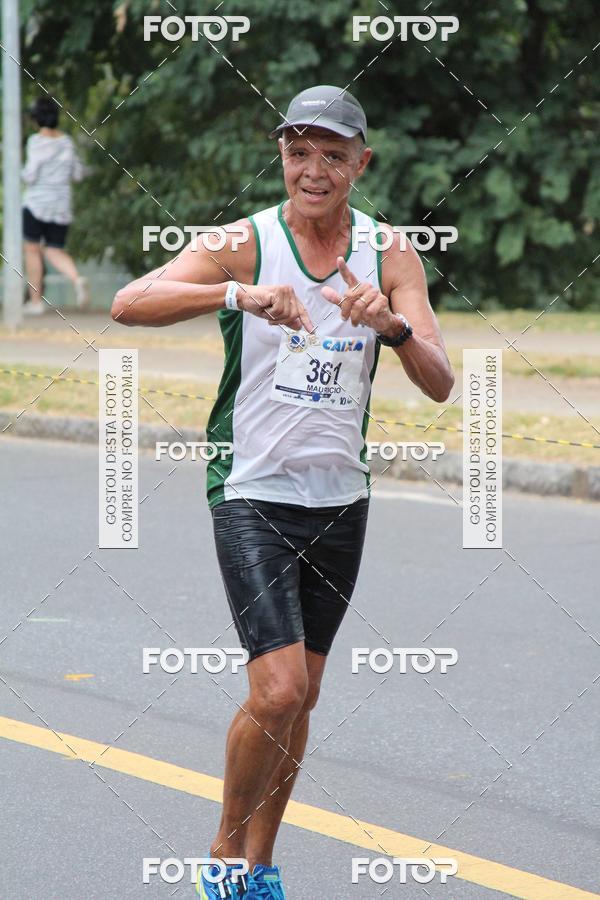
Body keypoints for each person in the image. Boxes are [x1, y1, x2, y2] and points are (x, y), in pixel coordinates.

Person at [111, 85, 455, 899]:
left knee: (303, 698)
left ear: (360, 163)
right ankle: (224, 858)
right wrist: (240, 293)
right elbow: (131, 301)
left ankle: (260, 869)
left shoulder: (390, 252)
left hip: (340, 498)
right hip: (252, 488)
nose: (314, 169)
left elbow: (440, 381)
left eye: (333, 155)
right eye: (299, 152)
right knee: (280, 686)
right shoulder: (246, 239)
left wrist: (394, 328)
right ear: (282, 157)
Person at [22, 97, 89, 315]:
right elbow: (77, 174)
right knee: (54, 249)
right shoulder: (67, 142)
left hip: (36, 204)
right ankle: (76, 279)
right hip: (61, 205)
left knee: (32, 250)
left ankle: (35, 301)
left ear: (36, 120)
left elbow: (30, 175)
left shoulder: (36, 142)